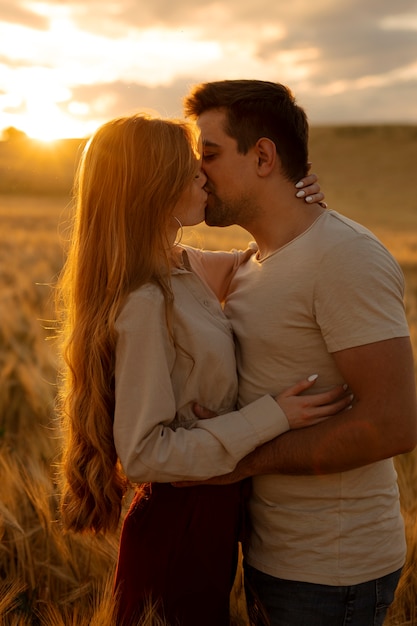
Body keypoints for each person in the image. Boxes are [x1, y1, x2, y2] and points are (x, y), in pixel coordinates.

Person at [55, 112, 350, 626]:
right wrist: (271, 417)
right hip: (177, 529)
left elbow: (263, 260)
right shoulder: (146, 301)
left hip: (212, 522)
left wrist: (295, 202)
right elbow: (145, 455)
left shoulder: (182, 265)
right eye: (189, 167)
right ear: (153, 185)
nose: (202, 175)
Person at [181, 79, 417, 626]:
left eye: (209, 155)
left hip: (333, 573)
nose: (197, 173)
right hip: (270, 556)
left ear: (263, 155)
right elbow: (135, 254)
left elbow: (395, 423)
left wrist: (235, 458)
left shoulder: (343, 257)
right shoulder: (248, 263)